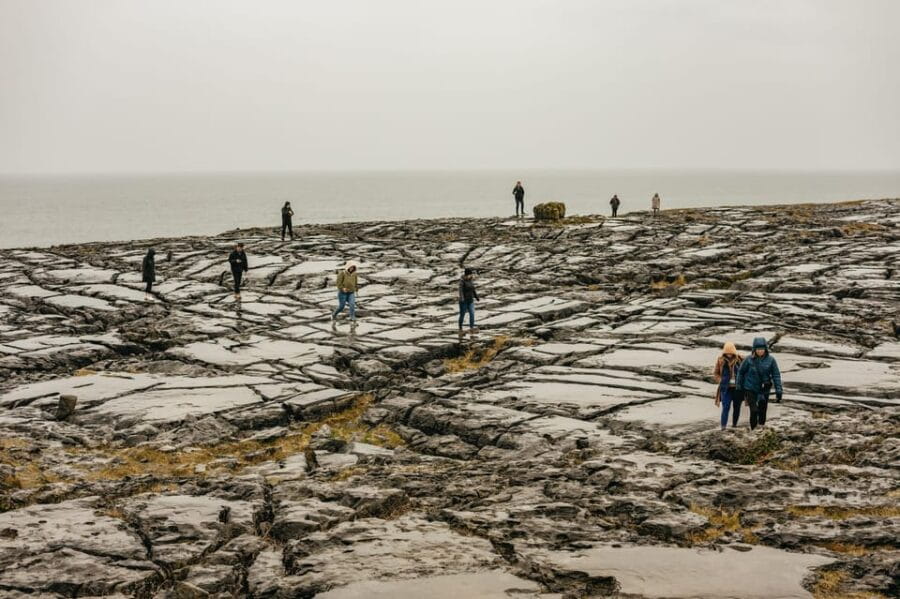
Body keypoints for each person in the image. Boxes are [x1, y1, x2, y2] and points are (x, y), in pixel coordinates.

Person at [736, 337, 783, 430]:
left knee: (762, 410)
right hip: (750, 388)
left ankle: (761, 429)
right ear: (754, 349)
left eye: (762, 349)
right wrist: (739, 386)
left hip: (764, 389)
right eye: (758, 349)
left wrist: (779, 390)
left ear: (765, 349)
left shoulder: (771, 360)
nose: (760, 351)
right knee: (754, 410)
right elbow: (740, 372)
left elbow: (776, 375)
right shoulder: (748, 360)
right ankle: (753, 430)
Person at [713, 342, 743, 430]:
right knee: (726, 407)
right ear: (724, 352)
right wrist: (720, 380)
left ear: (734, 352)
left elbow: (746, 370)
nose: (729, 354)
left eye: (731, 352)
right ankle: (723, 427)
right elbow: (716, 373)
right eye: (727, 353)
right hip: (725, 388)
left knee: (737, 407)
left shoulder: (740, 359)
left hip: (738, 388)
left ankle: (734, 425)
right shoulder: (720, 360)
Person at [332, 261, 359, 326]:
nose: (352, 268)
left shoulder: (355, 274)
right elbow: (338, 283)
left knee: (352, 304)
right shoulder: (342, 273)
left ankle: (352, 317)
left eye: (353, 267)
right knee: (341, 306)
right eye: (351, 267)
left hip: (351, 292)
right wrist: (342, 288)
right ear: (348, 267)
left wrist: (356, 289)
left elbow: (355, 282)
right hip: (342, 293)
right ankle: (334, 314)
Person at [458, 267, 479, 332]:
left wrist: (476, 297)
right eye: (470, 274)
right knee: (462, 315)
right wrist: (462, 298)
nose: (471, 275)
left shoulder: (471, 280)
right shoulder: (462, 281)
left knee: (472, 314)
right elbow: (460, 290)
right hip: (464, 301)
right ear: (467, 274)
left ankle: (471, 328)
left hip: (470, 301)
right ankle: (460, 327)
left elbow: (473, 289)